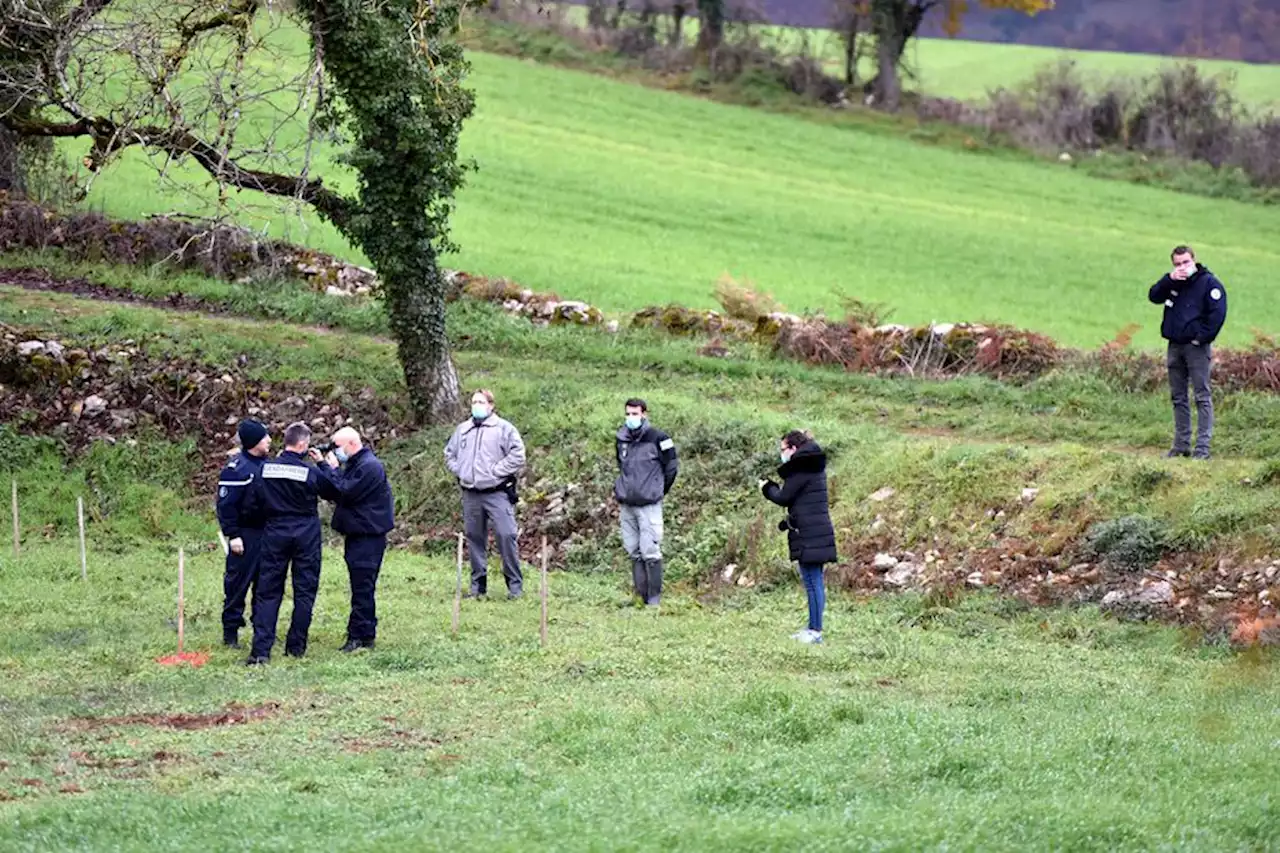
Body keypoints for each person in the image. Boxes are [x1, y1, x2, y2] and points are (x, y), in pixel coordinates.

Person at [245, 421, 340, 665]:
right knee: (304, 591)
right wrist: (322, 463)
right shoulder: (310, 472)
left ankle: (261, 652)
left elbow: (252, 502)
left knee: (267, 593)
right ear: (303, 444)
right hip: (305, 534)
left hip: (275, 531)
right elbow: (334, 490)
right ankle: (295, 647)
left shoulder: (265, 469)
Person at [313, 427, 395, 652]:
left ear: (351, 444)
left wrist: (326, 466)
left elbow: (345, 491)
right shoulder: (356, 464)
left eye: (337, 447)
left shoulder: (369, 467)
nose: (335, 452)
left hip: (368, 537)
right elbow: (334, 491)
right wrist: (324, 472)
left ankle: (359, 636)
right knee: (360, 586)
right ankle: (364, 632)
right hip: (357, 534)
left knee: (362, 588)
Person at [444, 389, 527, 599]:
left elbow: (518, 455)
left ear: (491, 405)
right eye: (474, 402)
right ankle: (477, 587)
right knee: (474, 538)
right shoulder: (463, 429)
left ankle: (514, 587)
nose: (476, 405)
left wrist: (496, 471)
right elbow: (449, 454)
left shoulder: (504, 429)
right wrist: (461, 470)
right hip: (471, 493)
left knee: (506, 535)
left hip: (497, 492)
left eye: (481, 402)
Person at [1148, 245, 1228, 460]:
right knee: (1178, 397)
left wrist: (1200, 338)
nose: (1182, 267)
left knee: (1201, 396)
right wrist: (1169, 279)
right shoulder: (1174, 282)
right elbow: (1153, 296)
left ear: (1194, 260)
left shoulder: (1209, 284)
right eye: (1177, 264)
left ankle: (1202, 449)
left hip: (1196, 347)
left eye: (1185, 262)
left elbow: (1217, 315)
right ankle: (1181, 445)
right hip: (1174, 344)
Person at [759, 429, 837, 645]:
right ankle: (813, 627)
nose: (781, 454)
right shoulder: (812, 466)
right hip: (815, 530)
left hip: (810, 534)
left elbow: (784, 497)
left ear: (793, 449)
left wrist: (767, 488)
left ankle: (815, 630)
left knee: (813, 582)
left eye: (783, 449)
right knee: (815, 581)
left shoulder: (802, 468)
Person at [614, 398, 678, 608]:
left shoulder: (659, 438)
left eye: (635, 414)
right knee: (633, 549)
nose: (631, 418)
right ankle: (640, 596)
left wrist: (659, 490)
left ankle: (654, 598)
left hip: (649, 503)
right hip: (627, 503)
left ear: (644, 414)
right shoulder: (621, 438)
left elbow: (671, 468)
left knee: (650, 550)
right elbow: (621, 466)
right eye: (628, 414)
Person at [214, 419, 271, 649]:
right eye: (265, 436)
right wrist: (233, 534)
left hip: (268, 534)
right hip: (245, 536)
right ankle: (231, 632)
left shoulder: (269, 465)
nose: (269, 440)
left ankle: (262, 630)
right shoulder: (235, 470)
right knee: (237, 584)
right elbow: (226, 505)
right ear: (253, 442)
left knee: (266, 585)